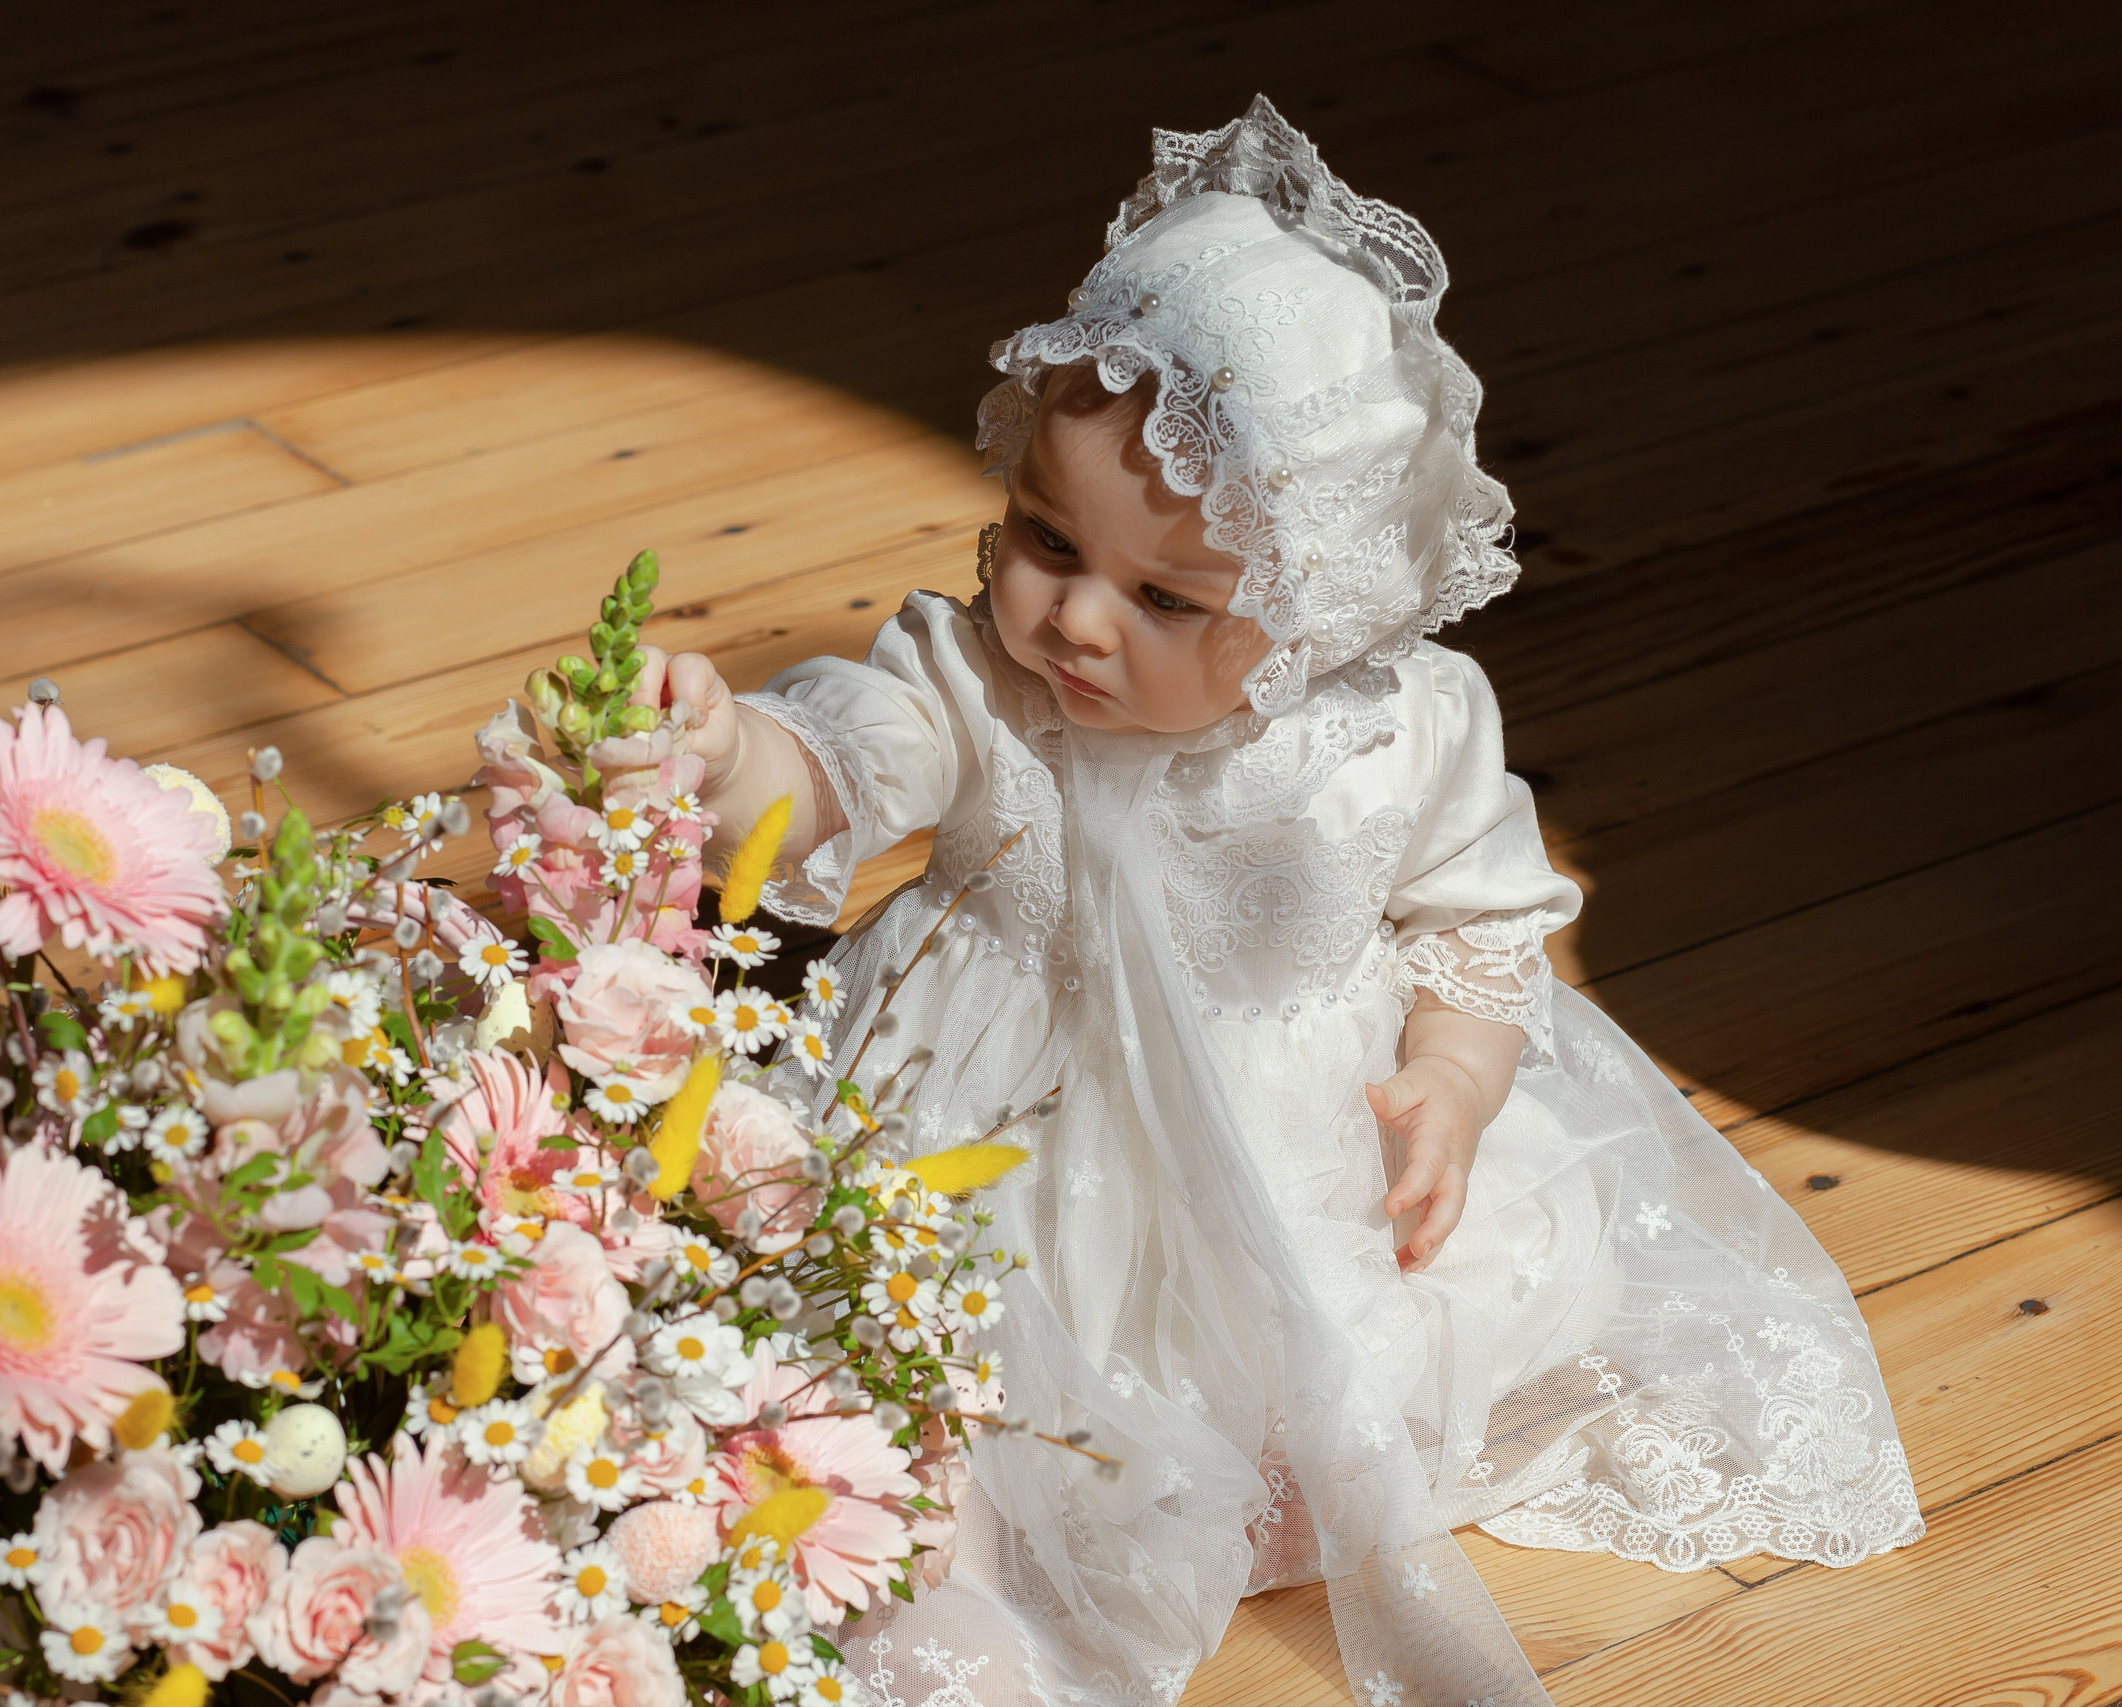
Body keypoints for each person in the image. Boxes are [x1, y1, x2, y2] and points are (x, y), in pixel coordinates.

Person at [639, 96, 1922, 1706]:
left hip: (1288, 1139)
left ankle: (1265, 1467)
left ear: (1319, 610)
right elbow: (836, 760)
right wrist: (726, 746)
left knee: (1373, 1324)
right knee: (929, 1360)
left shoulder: (1398, 731)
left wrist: (1454, 1081)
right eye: (1046, 538)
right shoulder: (978, 683)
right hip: (1004, 1134)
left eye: (1165, 597)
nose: (1075, 622)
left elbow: (1482, 922)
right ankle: (937, 1560)